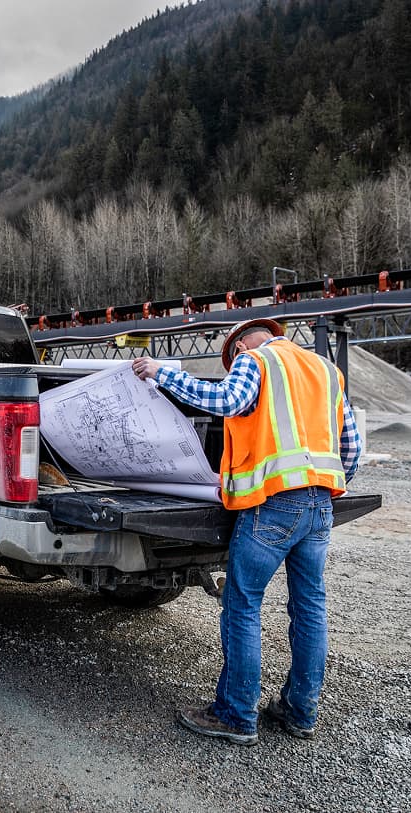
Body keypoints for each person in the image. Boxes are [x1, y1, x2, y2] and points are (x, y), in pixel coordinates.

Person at [131, 318, 362, 746]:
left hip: (274, 505)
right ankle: (300, 712)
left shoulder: (255, 360)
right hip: (319, 504)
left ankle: (236, 715)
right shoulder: (326, 370)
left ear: (239, 345)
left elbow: (227, 400)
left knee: (243, 606)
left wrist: (162, 373)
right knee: (310, 607)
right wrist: (324, 485)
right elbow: (351, 446)